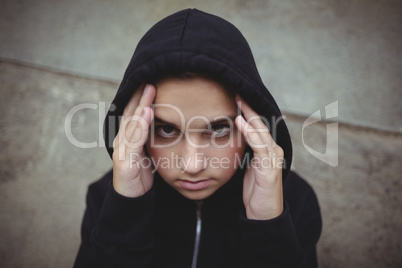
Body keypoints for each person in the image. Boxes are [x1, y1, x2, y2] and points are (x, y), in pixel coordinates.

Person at [74, 9, 322, 268]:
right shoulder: (107, 199)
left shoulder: (293, 202)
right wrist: (125, 214)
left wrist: (268, 225)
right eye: (166, 130)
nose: (192, 165)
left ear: (253, 125)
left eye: (218, 130)